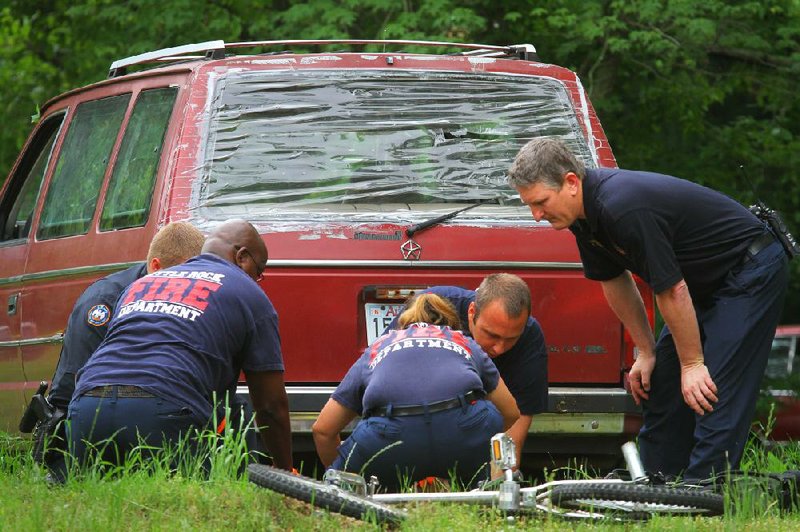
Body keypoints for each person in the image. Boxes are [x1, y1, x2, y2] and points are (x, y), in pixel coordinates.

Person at [508, 137, 790, 481]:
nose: (536, 216)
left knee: (711, 384)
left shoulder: (621, 206)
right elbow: (614, 281)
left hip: (750, 269)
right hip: (700, 285)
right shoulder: (582, 217)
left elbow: (671, 288)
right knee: (664, 381)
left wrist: (694, 363)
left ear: (570, 182)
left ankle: (704, 491)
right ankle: (655, 482)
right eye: (529, 206)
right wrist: (646, 350)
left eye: (540, 203)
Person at [67, 219, 293, 472]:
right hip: (163, 409)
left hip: (87, 407)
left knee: (104, 506)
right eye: (258, 271)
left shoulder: (141, 284)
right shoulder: (247, 291)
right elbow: (270, 405)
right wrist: (286, 472)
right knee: (187, 506)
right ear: (242, 257)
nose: (257, 280)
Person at [31, 221, 204, 469]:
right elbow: (71, 381)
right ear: (156, 266)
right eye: (182, 274)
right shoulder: (106, 300)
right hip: (88, 417)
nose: (188, 284)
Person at [312, 293, 519, 488]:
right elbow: (510, 411)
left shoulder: (378, 347)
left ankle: (351, 494)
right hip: (463, 429)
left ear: (403, 324)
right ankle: (481, 493)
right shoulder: (462, 341)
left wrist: (345, 476)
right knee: (488, 423)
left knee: (342, 485)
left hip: (389, 437)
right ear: (451, 324)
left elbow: (323, 430)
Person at [385, 274, 547, 469]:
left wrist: (501, 486)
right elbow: (386, 380)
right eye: (491, 335)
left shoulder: (530, 335)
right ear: (471, 312)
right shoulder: (431, 309)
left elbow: (517, 423)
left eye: (511, 339)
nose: (499, 348)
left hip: (480, 422)